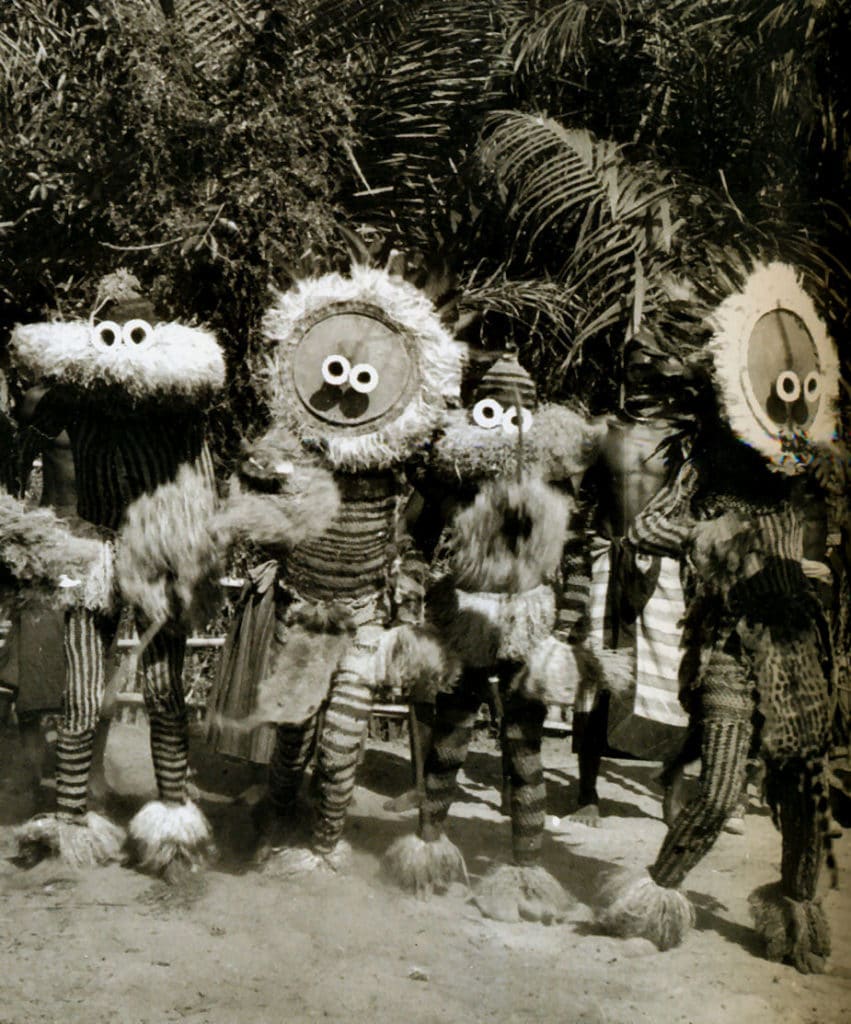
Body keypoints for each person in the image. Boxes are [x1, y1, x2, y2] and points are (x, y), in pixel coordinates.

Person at [597, 261, 843, 974]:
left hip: (798, 645)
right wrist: (711, 539)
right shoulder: (703, 467)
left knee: (802, 793)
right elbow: (643, 531)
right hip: (730, 646)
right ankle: (653, 897)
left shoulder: (802, 466)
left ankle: (796, 913)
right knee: (720, 789)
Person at [205, 265, 465, 875]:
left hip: (364, 614)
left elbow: (441, 487)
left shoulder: (398, 454)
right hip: (305, 610)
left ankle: (325, 846)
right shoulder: (297, 443)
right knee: (293, 735)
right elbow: (250, 479)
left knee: (344, 737)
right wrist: (263, 479)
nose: (348, 390)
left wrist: (411, 570)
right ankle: (278, 814)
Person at [10, 269, 225, 877]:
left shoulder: (178, 398)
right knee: (80, 693)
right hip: (95, 550)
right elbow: (30, 414)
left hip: (162, 554)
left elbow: (200, 469)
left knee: (163, 689)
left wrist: (193, 552)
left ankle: (174, 828)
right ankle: (70, 822)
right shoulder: (78, 393)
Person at [381, 353, 600, 922]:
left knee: (525, 748)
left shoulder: (553, 486)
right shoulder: (450, 479)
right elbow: (413, 539)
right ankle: (428, 853)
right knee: (451, 737)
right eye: (492, 408)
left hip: (529, 619)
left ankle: (527, 873)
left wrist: (566, 627)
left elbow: (577, 560)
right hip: (466, 619)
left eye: (516, 411)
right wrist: (413, 588)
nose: (504, 420)